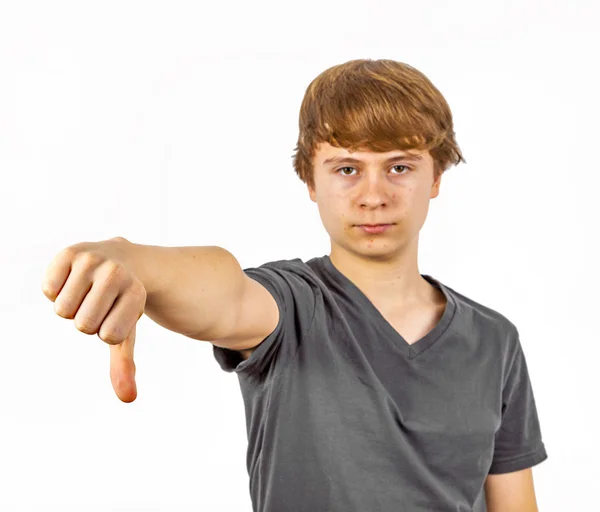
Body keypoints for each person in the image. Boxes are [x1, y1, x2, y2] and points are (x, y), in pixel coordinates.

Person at [42, 59, 548, 512]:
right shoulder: (292, 306)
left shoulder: (494, 340)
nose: (374, 196)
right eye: (347, 169)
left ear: (435, 177)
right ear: (310, 180)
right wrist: (135, 263)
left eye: (399, 166)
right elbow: (227, 292)